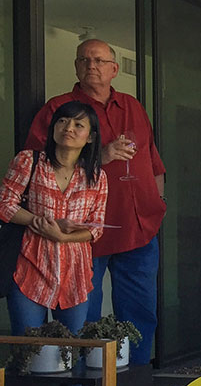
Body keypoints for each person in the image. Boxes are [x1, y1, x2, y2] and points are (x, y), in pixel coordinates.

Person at [25, 39, 165, 365]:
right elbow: (38, 167)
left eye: (100, 61)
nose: (92, 66)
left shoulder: (132, 106)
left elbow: (153, 162)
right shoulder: (59, 110)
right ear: (76, 66)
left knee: (141, 312)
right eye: (85, 60)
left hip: (138, 227)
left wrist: (159, 202)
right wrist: (100, 155)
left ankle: (136, 382)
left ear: (114, 69)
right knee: (82, 315)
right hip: (82, 231)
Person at [1, 102, 108, 334]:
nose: (68, 128)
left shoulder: (97, 176)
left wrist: (62, 237)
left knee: (73, 353)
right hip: (30, 266)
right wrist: (36, 222)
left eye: (78, 124)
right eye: (62, 121)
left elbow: (96, 228)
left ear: (90, 137)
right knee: (29, 350)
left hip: (75, 275)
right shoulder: (29, 161)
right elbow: (5, 204)